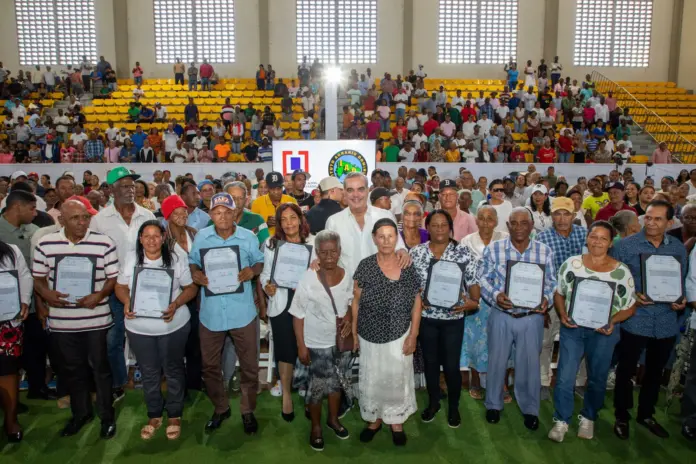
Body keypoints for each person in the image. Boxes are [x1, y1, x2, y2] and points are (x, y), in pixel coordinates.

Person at [33, 199, 118, 439]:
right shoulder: (45, 243)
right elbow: (38, 277)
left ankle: (107, 417)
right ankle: (81, 413)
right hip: (63, 321)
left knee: (100, 369)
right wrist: (46, 293)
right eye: (75, 218)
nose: (82, 222)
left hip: (96, 319)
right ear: (61, 220)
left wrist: (99, 295)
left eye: (85, 217)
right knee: (72, 370)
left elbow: (113, 277)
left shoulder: (104, 242)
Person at [548, 221, 637, 442]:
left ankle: (589, 416)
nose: (597, 242)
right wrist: (562, 314)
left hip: (604, 333)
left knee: (597, 379)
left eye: (603, 238)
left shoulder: (621, 272)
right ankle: (561, 420)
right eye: (593, 236)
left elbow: (630, 306)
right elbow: (559, 293)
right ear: (587, 238)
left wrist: (612, 321)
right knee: (565, 377)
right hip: (573, 329)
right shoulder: (572, 264)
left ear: (611, 243)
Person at [189, 193, 264, 435]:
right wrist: (195, 273)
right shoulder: (202, 237)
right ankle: (221, 408)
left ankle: (247, 410)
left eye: (227, 212)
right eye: (217, 212)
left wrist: (252, 271)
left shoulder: (248, 237)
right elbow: (193, 262)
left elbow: (260, 262)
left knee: (249, 366)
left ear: (235, 213)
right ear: (211, 215)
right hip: (211, 313)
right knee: (210, 366)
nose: (222, 217)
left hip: (242, 311)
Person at [611, 200, 687, 440]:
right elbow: (613, 281)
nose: (651, 223)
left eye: (658, 219)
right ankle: (622, 416)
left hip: (665, 320)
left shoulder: (678, 248)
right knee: (626, 370)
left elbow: (681, 281)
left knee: (655, 372)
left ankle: (646, 414)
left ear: (670, 222)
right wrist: (632, 295)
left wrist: (681, 300)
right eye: (649, 218)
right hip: (635, 318)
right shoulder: (625, 246)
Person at [115, 220, 197, 441]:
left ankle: (174, 414)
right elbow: (120, 286)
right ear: (140, 239)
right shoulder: (131, 258)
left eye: (156, 235)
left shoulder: (176, 258)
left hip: (173, 326)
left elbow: (191, 288)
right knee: (149, 372)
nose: (151, 240)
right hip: (139, 328)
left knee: (173, 369)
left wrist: (176, 304)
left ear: (163, 238)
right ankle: (154, 414)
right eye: (147, 236)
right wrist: (126, 301)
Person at [480, 207, 556, 430]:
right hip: (501, 314)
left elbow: (552, 282)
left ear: (532, 226)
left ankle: (530, 408)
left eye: (524, 223)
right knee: (496, 362)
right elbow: (483, 278)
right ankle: (493, 404)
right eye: (514, 223)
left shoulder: (544, 251)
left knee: (529, 364)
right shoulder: (494, 249)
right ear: (508, 225)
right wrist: (496, 295)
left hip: (531, 317)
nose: (519, 227)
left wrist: (546, 299)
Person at [352, 218, 421, 446]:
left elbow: (417, 303)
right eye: (381, 236)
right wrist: (354, 333)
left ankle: (396, 420)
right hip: (369, 333)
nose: (386, 241)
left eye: (390, 236)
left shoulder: (406, 265)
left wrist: (413, 335)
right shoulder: (365, 265)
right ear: (374, 238)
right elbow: (356, 301)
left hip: (399, 333)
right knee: (373, 376)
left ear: (396, 238)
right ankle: (374, 419)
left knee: (396, 377)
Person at [91, 167, 156, 402]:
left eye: (132, 185)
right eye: (124, 186)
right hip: (113, 289)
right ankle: (118, 382)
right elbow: (94, 255)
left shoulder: (147, 216)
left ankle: (149, 378)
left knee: (148, 336)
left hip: (145, 287)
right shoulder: (99, 220)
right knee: (113, 340)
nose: (130, 190)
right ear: (111, 190)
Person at [410, 210, 480, 428]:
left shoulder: (463, 252)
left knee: (451, 366)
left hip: (453, 318)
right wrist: (418, 296)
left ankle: (453, 407)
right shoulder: (417, 252)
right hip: (426, 318)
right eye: (434, 225)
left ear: (450, 228)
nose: (439, 229)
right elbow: (410, 284)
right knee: (430, 364)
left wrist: (473, 302)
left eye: (443, 225)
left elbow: (473, 283)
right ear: (427, 228)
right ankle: (433, 403)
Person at [289, 230, 354, 451]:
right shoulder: (308, 278)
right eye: (324, 252)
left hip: (339, 342)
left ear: (339, 251)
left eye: (333, 252)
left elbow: (349, 303)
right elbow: (297, 315)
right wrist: (301, 345)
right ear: (317, 253)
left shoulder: (347, 275)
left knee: (335, 384)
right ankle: (315, 427)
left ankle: (333, 419)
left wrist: (348, 319)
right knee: (317, 389)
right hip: (315, 343)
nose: (329, 257)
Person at [261, 203, 315, 421]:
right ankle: (286, 395)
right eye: (283, 219)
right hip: (281, 302)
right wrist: (267, 286)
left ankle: (310, 392)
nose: (289, 223)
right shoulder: (271, 244)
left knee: (310, 347)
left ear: (300, 219)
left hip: (308, 303)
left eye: (293, 217)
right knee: (285, 350)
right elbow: (265, 274)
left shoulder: (313, 242)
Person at [536, 197, 589, 400]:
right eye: (557, 214)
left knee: (580, 342)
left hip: (580, 299)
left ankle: (579, 381)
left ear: (573, 215)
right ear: (551, 216)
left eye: (566, 214)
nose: (562, 218)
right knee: (545, 341)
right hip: (551, 298)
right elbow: (540, 273)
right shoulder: (542, 238)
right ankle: (543, 381)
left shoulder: (585, 235)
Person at [461, 206, 509, 400]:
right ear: (476, 220)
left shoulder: (505, 239)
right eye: (482, 218)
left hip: (501, 299)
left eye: (490, 218)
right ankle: (475, 380)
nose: (486, 222)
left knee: (501, 341)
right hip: (476, 300)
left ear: (496, 221)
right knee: (475, 341)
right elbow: (462, 270)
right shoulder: (467, 241)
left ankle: (502, 383)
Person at [326, 173, 409, 277]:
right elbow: (326, 255)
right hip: (348, 284)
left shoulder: (385, 216)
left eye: (360, 189)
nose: (356, 195)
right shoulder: (333, 221)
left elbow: (398, 246)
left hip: (380, 283)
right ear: (345, 193)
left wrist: (402, 251)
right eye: (350, 190)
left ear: (367, 191)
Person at [0, 239, 31, 442]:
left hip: (6, 324)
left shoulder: (11, 251)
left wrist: (24, 301)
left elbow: (25, 277)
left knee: (7, 370)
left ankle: (11, 421)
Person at [251, 171, 298, 237]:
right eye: (272, 189)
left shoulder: (291, 201)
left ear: (282, 187)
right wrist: (265, 224)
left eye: (279, 188)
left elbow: (299, 224)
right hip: (265, 241)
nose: (276, 192)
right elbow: (252, 231)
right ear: (267, 188)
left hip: (287, 240)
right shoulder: (257, 203)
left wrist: (283, 221)